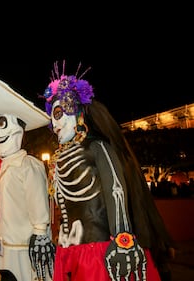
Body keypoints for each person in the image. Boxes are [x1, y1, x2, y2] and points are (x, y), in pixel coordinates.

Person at [42, 61, 175, 281]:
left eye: (58, 113)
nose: (53, 123)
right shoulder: (62, 157)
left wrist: (123, 238)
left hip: (100, 251)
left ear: (76, 111)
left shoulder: (98, 146)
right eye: (51, 117)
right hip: (68, 251)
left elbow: (116, 189)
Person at [0, 79, 55, 281]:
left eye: (2, 123)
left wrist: (40, 241)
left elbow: (39, 212)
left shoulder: (28, 165)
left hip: (20, 254)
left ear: (19, 129)